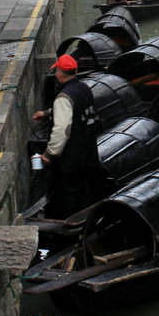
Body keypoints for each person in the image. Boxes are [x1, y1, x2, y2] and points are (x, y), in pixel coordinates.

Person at [32, 54, 104, 218]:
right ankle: (86, 221)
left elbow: (62, 130)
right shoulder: (84, 88)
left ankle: (69, 225)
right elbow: (75, 109)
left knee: (68, 195)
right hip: (88, 153)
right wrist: (47, 113)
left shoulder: (63, 97)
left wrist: (49, 153)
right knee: (84, 191)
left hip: (71, 158)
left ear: (59, 74)